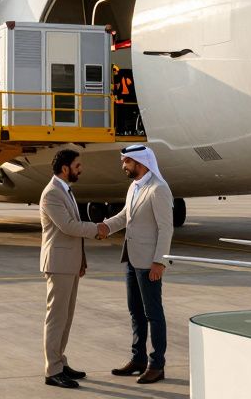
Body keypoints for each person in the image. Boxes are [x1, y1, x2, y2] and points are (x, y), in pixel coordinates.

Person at [100, 143, 173, 385]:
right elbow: (125, 217)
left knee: (154, 313)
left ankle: (157, 364)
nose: (123, 166)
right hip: (131, 260)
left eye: (126, 162)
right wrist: (104, 228)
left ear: (140, 163)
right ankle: (138, 359)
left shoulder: (158, 189)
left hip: (149, 262)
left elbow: (166, 229)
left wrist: (159, 262)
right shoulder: (134, 187)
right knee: (136, 312)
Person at [39, 149, 99, 389]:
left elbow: (72, 232)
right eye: (77, 165)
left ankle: (60, 362)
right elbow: (68, 226)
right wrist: (98, 228)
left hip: (70, 263)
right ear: (65, 168)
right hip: (58, 264)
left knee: (66, 317)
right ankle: (52, 370)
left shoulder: (65, 190)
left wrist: (81, 259)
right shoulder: (52, 194)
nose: (80, 169)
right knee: (56, 318)